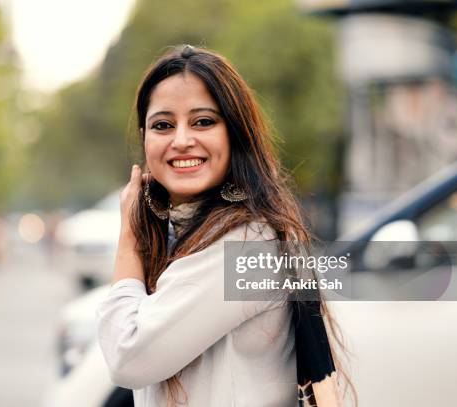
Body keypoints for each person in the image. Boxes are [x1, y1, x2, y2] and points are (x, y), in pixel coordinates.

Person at [96, 45, 352, 407]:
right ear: (145, 138)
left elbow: (128, 356)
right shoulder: (194, 234)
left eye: (203, 121)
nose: (182, 140)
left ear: (235, 134)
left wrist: (128, 240)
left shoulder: (244, 244)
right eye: (163, 125)